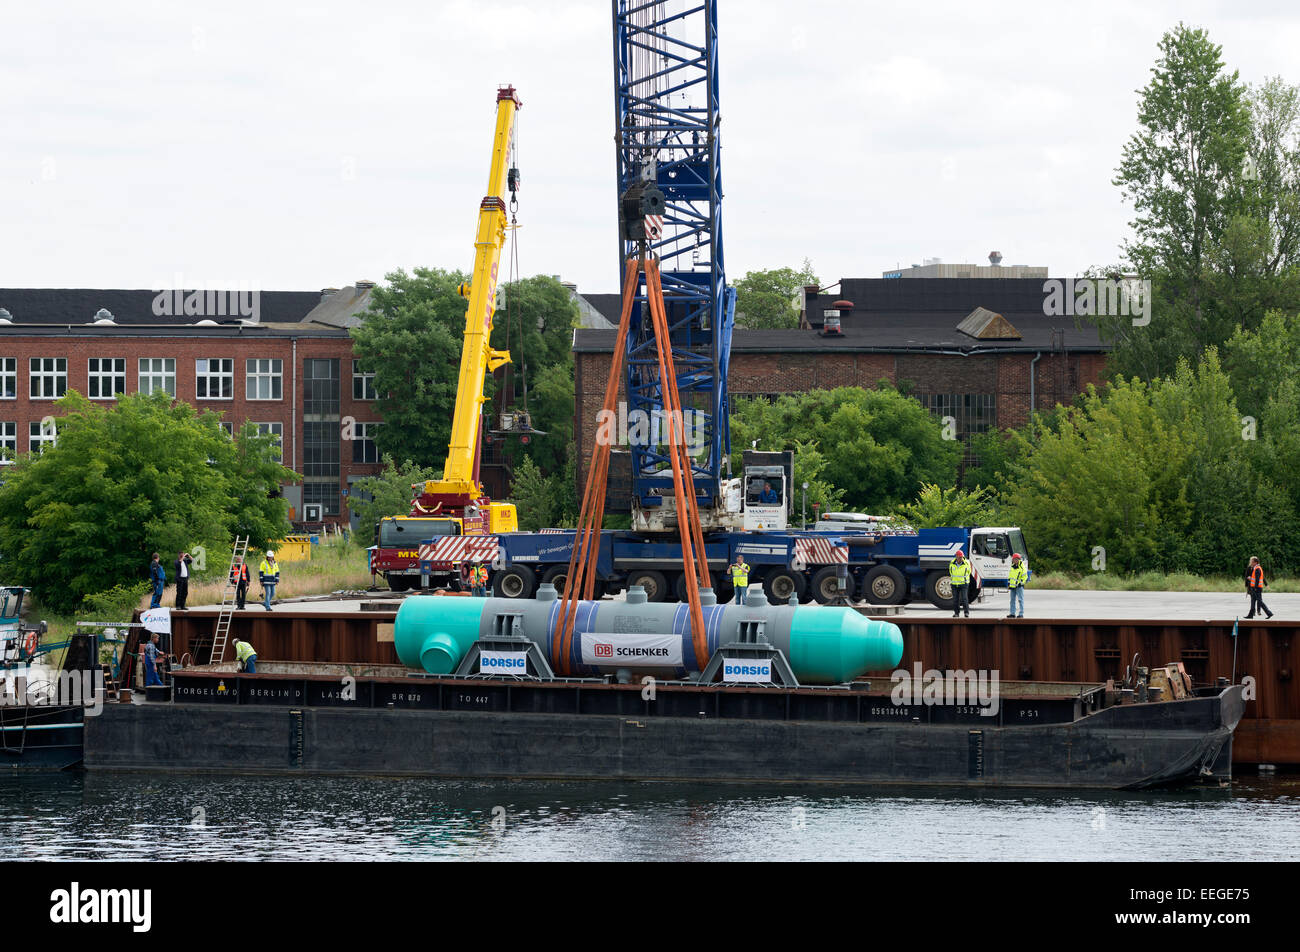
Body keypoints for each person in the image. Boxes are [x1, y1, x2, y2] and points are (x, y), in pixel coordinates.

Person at [949, 549, 972, 618]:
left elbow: (969, 572)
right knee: (955, 599)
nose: (960, 559)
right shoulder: (952, 563)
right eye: (959, 557)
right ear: (956, 557)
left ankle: (966, 613)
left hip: (964, 583)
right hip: (954, 584)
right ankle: (956, 613)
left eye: (961, 557)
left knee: (964, 598)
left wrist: (964, 580)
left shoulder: (967, 563)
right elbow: (951, 572)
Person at [1007, 553, 1028, 618]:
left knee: (1020, 600)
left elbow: (1025, 577)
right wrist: (1009, 584)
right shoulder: (1012, 566)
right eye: (1014, 559)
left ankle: (1021, 614)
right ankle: (1012, 613)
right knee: (1012, 600)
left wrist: (1020, 583)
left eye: (1016, 559)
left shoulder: (1022, 567)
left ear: (1018, 559)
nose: (1015, 560)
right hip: (1012, 586)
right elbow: (1010, 576)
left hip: (1019, 586)